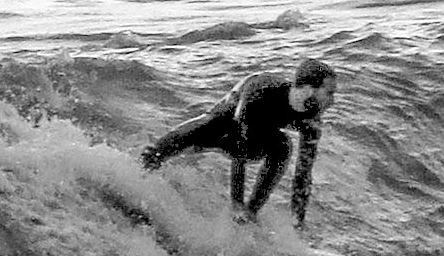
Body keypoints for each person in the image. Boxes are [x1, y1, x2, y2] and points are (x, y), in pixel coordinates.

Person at [138, 59, 337, 227]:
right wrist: (236, 204)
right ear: (309, 89)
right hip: (226, 123)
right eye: (329, 93)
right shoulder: (263, 92)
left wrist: (298, 225)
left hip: (256, 135)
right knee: (210, 124)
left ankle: (251, 216)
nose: (332, 101)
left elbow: (303, 177)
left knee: (283, 145)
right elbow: (238, 150)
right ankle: (140, 169)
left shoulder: (311, 123)